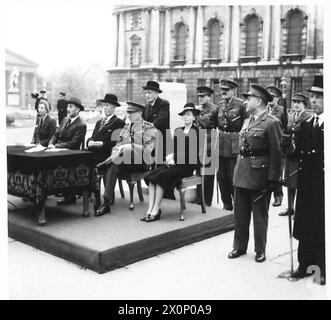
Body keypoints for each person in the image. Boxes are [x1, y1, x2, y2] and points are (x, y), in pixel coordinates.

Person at [228, 84, 283, 263]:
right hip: (242, 173)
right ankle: (239, 246)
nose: (245, 101)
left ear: (258, 101)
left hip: (259, 176)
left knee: (260, 216)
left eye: (249, 98)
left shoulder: (272, 122)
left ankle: (260, 249)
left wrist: (274, 179)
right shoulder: (247, 121)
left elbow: (277, 154)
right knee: (240, 214)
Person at [281, 75, 325, 285]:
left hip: (323, 185)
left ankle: (321, 268)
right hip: (306, 183)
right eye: (313, 96)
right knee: (305, 223)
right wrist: (288, 146)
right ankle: (304, 265)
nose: (314, 100)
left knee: (321, 226)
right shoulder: (307, 123)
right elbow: (296, 154)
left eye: (319, 97)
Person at [142, 103, 201, 222]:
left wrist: (175, 156)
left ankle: (155, 210)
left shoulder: (197, 132)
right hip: (175, 163)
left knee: (160, 177)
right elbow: (173, 149)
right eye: (184, 115)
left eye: (188, 115)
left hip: (187, 166)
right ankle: (151, 209)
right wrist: (170, 156)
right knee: (151, 176)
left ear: (194, 117)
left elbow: (192, 155)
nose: (185, 117)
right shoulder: (179, 130)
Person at [96, 101, 156, 216]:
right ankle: (106, 203)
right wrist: (120, 149)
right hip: (124, 160)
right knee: (113, 165)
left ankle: (104, 164)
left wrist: (130, 146)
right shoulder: (126, 127)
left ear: (140, 113)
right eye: (128, 112)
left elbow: (148, 149)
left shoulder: (149, 127)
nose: (129, 115)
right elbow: (116, 146)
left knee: (127, 149)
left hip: (141, 162)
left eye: (132, 113)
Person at [87, 94, 125, 215]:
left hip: (107, 155)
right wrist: (90, 142)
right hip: (94, 153)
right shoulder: (99, 122)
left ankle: (104, 202)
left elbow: (116, 143)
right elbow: (92, 136)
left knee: (101, 166)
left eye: (107, 105)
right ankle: (92, 196)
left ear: (114, 107)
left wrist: (101, 144)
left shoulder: (118, 123)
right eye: (104, 105)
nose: (105, 108)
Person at [48, 97, 87, 205]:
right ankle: (46, 190)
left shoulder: (81, 125)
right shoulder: (65, 120)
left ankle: (67, 194)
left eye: (71, 107)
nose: (68, 109)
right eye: (67, 107)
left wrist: (56, 146)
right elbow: (56, 134)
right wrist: (51, 143)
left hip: (71, 154)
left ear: (77, 110)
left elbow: (73, 143)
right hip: (57, 150)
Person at [216, 79, 247, 211]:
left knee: (233, 175)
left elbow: (246, 120)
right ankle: (226, 203)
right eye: (222, 89)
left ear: (233, 90)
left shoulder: (240, 105)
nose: (223, 92)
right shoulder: (220, 105)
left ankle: (238, 203)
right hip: (221, 143)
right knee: (221, 176)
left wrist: (242, 133)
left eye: (226, 90)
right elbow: (213, 122)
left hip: (234, 143)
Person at [278, 93, 310, 217]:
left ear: (304, 105)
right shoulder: (291, 116)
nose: (296, 104)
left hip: (300, 156)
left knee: (300, 184)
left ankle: (300, 211)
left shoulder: (308, 117)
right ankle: (290, 208)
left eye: (299, 102)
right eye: (294, 102)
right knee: (290, 183)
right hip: (290, 155)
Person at [142, 80, 174, 200]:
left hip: (163, 144)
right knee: (151, 171)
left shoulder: (164, 104)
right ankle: (156, 196)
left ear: (156, 93)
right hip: (151, 143)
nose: (147, 95)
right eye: (146, 93)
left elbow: (159, 121)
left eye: (149, 92)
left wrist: (146, 129)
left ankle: (168, 197)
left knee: (162, 171)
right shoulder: (146, 107)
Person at [195, 86, 218, 207]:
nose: (200, 98)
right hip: (199, 142)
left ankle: (207, 199)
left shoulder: (215, 109)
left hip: (210, 142)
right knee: (199, 171)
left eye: (203, 96)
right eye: (199, 96)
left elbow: (219, 127)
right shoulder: (197, 109)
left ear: (209, 97)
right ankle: (200, 198)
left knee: (208, 172)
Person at [266, 85, 286, 207]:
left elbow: (286, 128)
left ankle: (278, 195)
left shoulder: (282, 111)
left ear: (278, 98)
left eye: (273, 97)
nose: (270, 99)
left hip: (278, 145)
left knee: (277, 171)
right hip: (265, 145)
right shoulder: (264, 109)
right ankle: (267, 191)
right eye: (269, 97)